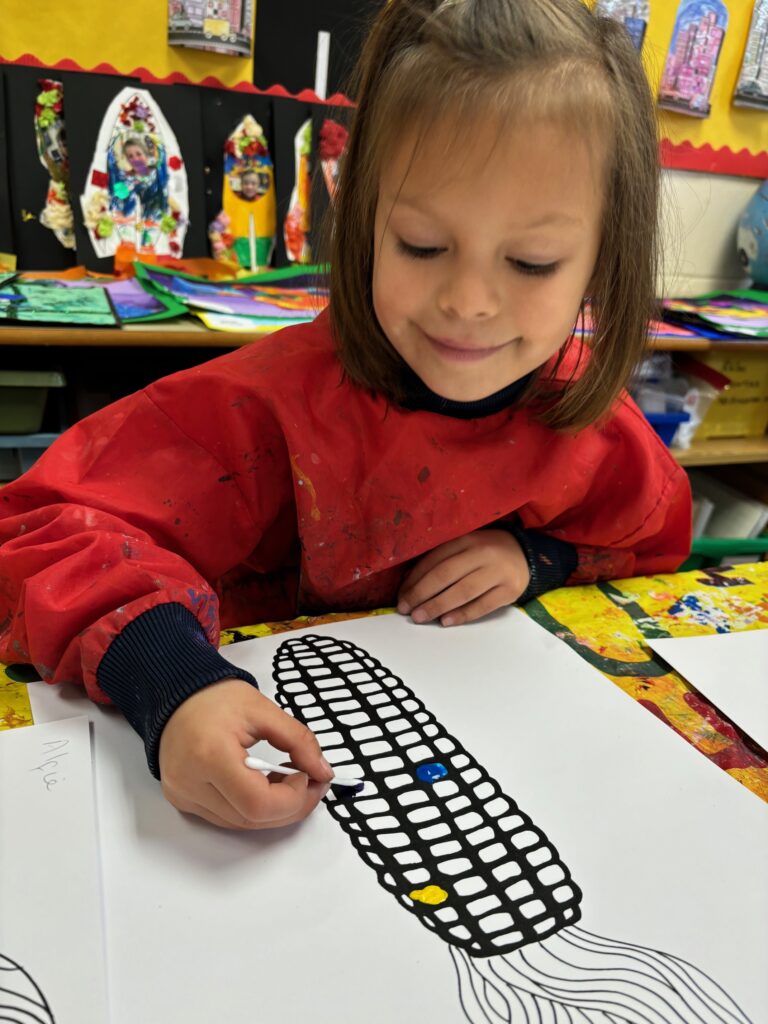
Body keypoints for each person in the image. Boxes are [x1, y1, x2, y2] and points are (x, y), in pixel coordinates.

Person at [0, 0, 691, 832]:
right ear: (364, 222)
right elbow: (38, 527)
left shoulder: (587, 419)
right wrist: (174, 684)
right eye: (422, 246)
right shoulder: (265, 403)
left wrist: (534, 556)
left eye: (532, 261)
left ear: (601, 259)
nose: (468, 302)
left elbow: (651, 533)